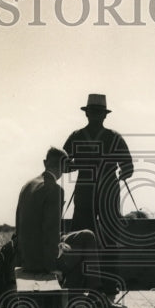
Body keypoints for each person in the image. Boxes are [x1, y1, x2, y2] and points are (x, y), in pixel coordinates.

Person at [15, 146, 123, 308]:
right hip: (42, 261)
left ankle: (80, 296)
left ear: (45, 163)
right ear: (65, 168)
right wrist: (53, 267)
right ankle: (95, 295)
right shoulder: (55, 190)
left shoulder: (27, 185)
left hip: (26, 256)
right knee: (88, 243)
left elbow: (22, 226)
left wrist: (61, 240)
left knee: (85, 235)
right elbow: (50, 231)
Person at [62, 93, 134, 245]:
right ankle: (110, 268)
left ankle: (82, 267)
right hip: (109, 190)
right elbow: (128, 168)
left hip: (84, 190)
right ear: (105, 115)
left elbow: (61, 165)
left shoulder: (77, 136)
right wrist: (122, 174)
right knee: (111, 236)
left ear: (87, 113)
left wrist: (80, 165)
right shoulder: (115, 137)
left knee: (80, 235)